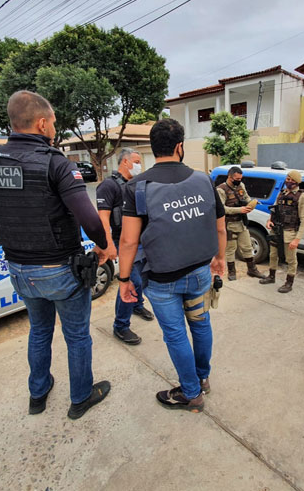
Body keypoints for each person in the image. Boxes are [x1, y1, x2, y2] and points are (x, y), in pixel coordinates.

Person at [0, 90, 113, 419]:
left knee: (39, 330)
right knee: (76, 335)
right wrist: (105, 245)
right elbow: (89, 219)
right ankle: (80, 398)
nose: (53, 129)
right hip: (60, 268)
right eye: (53, 124)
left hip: (19, 268)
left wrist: (14, 225)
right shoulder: (55, 164)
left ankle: (38, 393)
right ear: (42, 123)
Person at [118, 118, 226, 413]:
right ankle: (202, 379)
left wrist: (123, 279)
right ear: (180, 146)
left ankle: (191, 394)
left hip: (163, 279)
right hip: (201, 272)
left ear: (153, 150)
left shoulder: (136, 187)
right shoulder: (205, 180)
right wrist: (220, 260)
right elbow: (219, 228)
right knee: (201, 324)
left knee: (176, 334)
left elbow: (128, 242)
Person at [96, 148, 154, 346]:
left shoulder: (136, 184)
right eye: (137, 161)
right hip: (122, 241)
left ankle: (137, 304)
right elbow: (103, 218)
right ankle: (120, 326)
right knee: (131, 281)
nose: (140, 165)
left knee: (141, 280)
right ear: (125, 162)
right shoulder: (108, 186)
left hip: (141, 241)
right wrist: (107, 244)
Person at [259, 169, 304, 293]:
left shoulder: (302, 197)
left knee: (291, 259)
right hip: (276, 230)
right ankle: (271, 276)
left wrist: (297, 239)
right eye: (287, 179)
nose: (288, 181)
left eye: (291, 180)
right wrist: (269, 221)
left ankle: (289, 282)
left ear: (297, 182)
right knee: (273, 255)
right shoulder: (281, 193)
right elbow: (274, 209)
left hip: (290, 232)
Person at [216, 166, 265, 281]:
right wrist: (240, 210)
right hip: (229, 224)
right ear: (230, 177)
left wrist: (252, 202)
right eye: (237, 178)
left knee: (247, 246)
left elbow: (246, 197)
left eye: (240, 178)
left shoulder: (241, 186)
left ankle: (252, 269)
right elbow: (222, 209)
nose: (239, 180)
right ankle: (232, 272)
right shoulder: (221, 190)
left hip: (241, 222)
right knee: (230, 249)